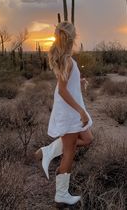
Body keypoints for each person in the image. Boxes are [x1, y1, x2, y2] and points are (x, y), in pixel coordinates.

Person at [35, 21, 93, 207]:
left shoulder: (67, 60)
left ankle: (48, 151)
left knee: (88, 138)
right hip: (69, 111)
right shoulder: (67, 61)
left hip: (68, 109)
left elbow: (66, 84)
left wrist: (79, 79)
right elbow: (61, 90)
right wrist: (80, 110)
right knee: (69, 153)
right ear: (73, 37)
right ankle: (61, 195)